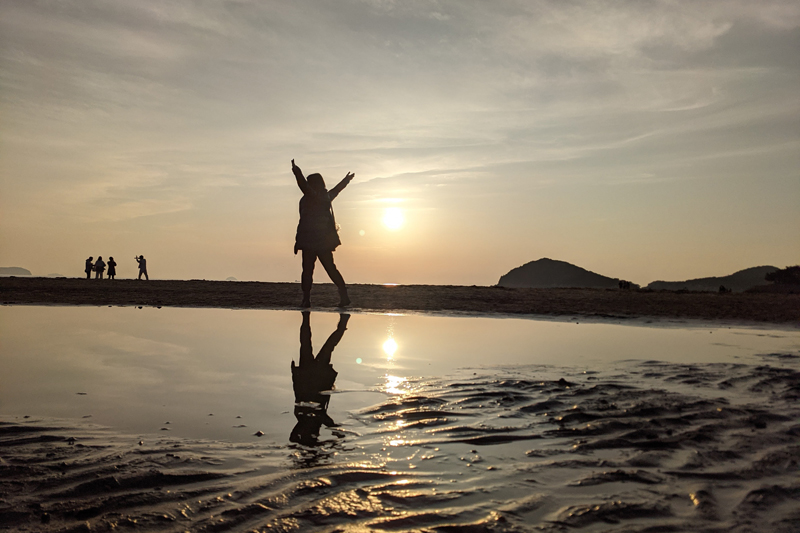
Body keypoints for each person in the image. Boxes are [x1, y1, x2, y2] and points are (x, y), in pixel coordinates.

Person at [291, 159, 353, 308]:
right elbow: (337, 189)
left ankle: (306, 299)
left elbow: (302, 184)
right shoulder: (326, 197)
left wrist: (296, 170)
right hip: (321, 241)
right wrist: (346, 180)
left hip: (311, 240)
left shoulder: (313, 196)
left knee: (307, 271)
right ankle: (343, 295)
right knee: (330, 268)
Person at [290, 311, 349, 446]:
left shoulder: (303, 419)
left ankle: (341, 324)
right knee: (310, 344)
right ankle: (308, 317)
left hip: (310, 377)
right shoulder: (305, 418)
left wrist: (336, 433)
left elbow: (292, 438)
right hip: (314, 377)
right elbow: (293, 438)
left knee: (318, 346)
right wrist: (336, 433)